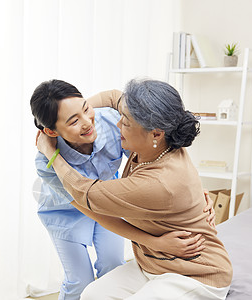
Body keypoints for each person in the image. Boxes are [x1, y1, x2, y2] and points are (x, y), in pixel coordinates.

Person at [36, 78, 233, 300]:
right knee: (85, 287)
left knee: (111, 263)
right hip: (147, 257)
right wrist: (75, 113)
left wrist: (52, 153)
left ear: (156, 134)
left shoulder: (149, 175)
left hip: (195, 272)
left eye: (126, 122)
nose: (117, 124)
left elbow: (89, 195)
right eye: (73, 120)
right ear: (52, 131)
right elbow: (113, 97)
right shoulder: (141, 134)